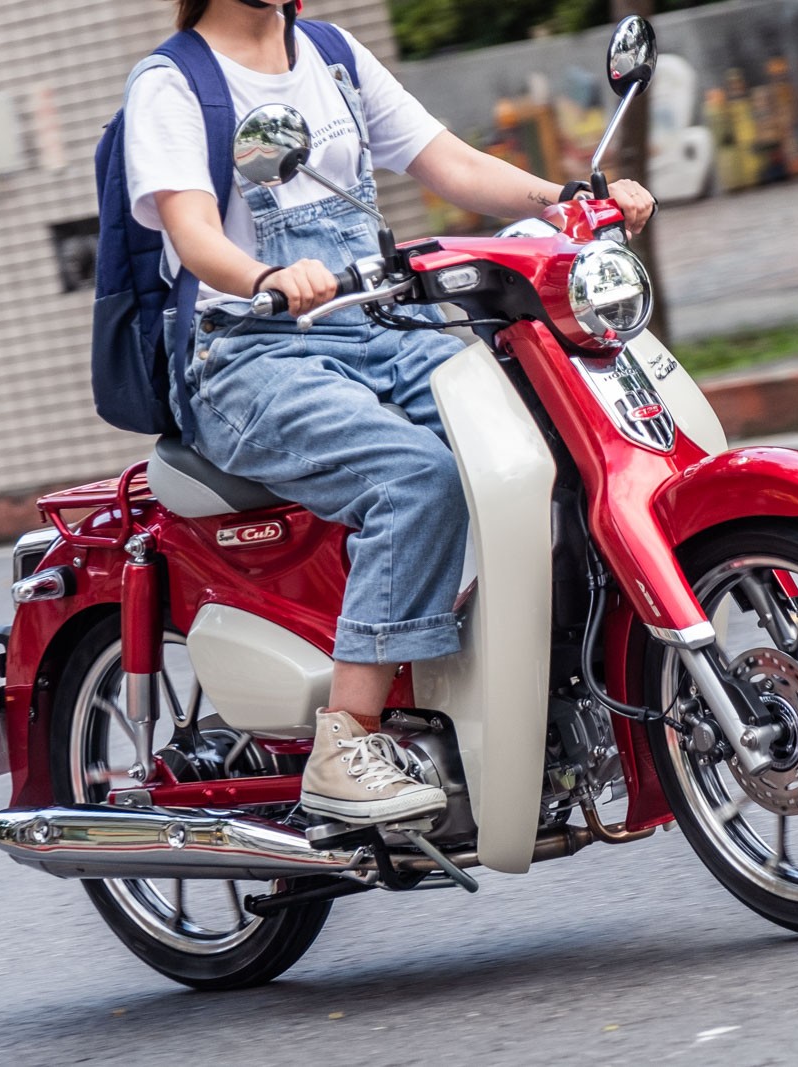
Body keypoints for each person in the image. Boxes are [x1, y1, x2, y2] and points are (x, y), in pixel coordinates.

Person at [126, 0, 656, 825]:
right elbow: (193, 234)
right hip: (251, 356)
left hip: (378, 328)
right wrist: (266, 277)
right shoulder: (175, 84)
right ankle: (348, 741)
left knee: (546, 427)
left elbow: (447, 162)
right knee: (417, 477)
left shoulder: (331, 54)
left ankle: (541, 686)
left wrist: (563, 201)